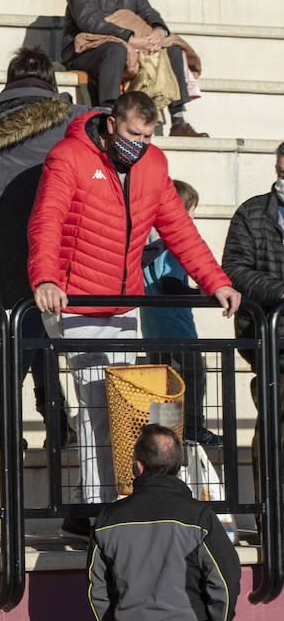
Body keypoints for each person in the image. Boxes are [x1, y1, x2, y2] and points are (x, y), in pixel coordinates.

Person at [28, 91, 239, 538]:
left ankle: (107, 506)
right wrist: (45, 277)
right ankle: (93, 511)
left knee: (122, 410)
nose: (139, 143)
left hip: (124, 304)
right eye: (131, 134)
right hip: (77, 299)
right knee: (95, 408)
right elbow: (47, 218)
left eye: (147, 135)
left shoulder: (153, 165)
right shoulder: (68, 157)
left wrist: (214, 281)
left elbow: (179, 228)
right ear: (110, 124)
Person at [0, 46, 79, 449]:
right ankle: (0, 418)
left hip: (6, 245)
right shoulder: (73, 120)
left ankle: (46, 420)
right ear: (50, 80)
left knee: (27, 328)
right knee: (33, 330)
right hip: (61, 242)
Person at [88, 424, 239, 621]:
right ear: (178, 469)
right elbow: (225, 579)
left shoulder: (107, 520)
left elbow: (97, 587)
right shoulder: (199, 517)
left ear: (138, 467)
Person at [62, 0, 205, 137]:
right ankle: (107, 113)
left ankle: (179, 122)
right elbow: (88, 20)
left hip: (129, 41)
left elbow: (147, 11)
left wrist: (158, 29)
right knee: (116, 50)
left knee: (171, 48)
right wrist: (129, 37)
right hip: (86, 46)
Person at [221, 141, 284, 506]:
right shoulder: (253, 212)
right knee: (273, 436)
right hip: (271, 342)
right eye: (280, 173)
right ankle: (271, 521)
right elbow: (234, 270)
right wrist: (279, 291)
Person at [142, 180, 219, 447]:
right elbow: (171, 284)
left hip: (152, 327)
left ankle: (166, 432)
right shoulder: (172, 243)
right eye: (191, 212)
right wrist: (200, 293)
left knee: (164, 380)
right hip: (177, 326)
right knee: (194, 373)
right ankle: (193, 427)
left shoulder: (148, 242)